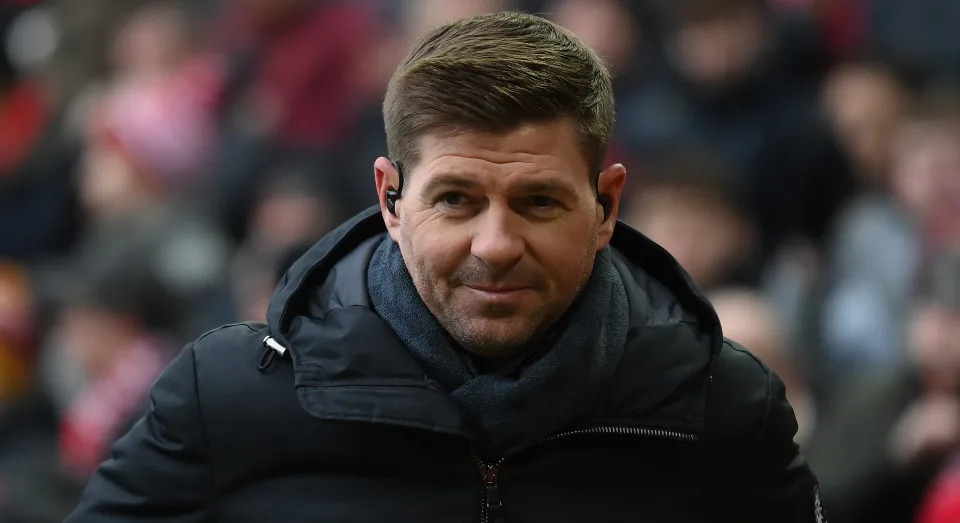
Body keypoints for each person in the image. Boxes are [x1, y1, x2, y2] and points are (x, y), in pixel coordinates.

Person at [65, 12, 822, 522]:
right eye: (457, 199)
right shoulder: (226, 397)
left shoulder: (724, 412)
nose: (495, 244)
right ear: (390, 200)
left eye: (539, 202)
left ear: (607, 207)